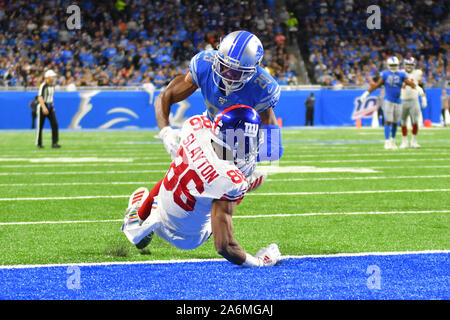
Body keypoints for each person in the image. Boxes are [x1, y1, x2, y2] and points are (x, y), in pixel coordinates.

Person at [121, 106, 282, 267]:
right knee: (232, 189)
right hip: (189, 239)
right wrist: (260, 262)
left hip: (159, 211)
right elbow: (224, 246)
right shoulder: (230, 180)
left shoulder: (194, 126)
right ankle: (245, 186)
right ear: (237, 140)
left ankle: (140, 214)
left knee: (178, 171)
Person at [154, 30, 283, 191]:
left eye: (236, 73)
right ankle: (144, 209)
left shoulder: (262, 87)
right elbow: (164, 96)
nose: (228, 75)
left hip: (239, 137)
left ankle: (242, 182)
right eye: (224, 67)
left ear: (253, 70)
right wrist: (165, 132)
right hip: (210, 126)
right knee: (183, 170)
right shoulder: (204, 63)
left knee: (224, 185)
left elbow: (273, 141)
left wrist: (258, 157)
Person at [359, 56, 416, 150]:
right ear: (388, 65)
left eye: (395, 65)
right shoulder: (385, 74)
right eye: (392, 65)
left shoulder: (402, 74)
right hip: (388, 99)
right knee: (388, 121)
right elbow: (377, 85)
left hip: (398, 100)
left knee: (395, 122)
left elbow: (410, 83)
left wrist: (419, 90)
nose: (393, 67)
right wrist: (366, 93)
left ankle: (393, 141)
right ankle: (387, 141)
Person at [399, 57, 427, 148]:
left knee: (415, 121)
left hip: (414, 99)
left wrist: (423, 97)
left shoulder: (418, 73)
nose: (409, 66)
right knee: (403, 121)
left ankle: (414, 141)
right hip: (403, 99)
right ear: (404, 65)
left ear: (414, 65)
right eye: (407, 64)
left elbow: (421, 85)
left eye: (411, 65)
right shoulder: (400, 73)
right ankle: (404, 142)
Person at [36, 69, 61, 148]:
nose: (53, 78)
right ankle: (39, 143)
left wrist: (52, 106)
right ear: (48, 77)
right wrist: (44, 107)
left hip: (49, 107)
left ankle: (54, 143)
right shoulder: (43, 85)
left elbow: (51, 97)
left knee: (55, 124)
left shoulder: (52, 86)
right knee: (40, 126)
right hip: (42, 106)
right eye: (52, 76)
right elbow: (40, 97)